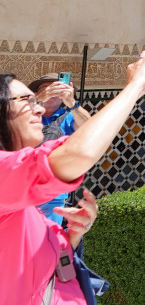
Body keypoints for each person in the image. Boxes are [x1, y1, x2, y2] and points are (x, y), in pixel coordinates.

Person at [0, 50, 145, 305]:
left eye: (37, 101)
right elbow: (80, 152)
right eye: (28, 101)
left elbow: (41, 261)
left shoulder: (18, 199)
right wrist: (134, 88)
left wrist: (73, 234)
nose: (39, 109)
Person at [29, 74, 92, 224]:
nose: (52, 91)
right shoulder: (27, 112)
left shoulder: (69, 117)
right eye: (46, 88)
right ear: (37, 93)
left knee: (45, 241)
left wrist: (72, 103)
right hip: (22, 188)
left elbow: (90, 128)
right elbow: (8, 117)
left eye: (58, 88)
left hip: (52, 195)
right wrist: (39, 100)